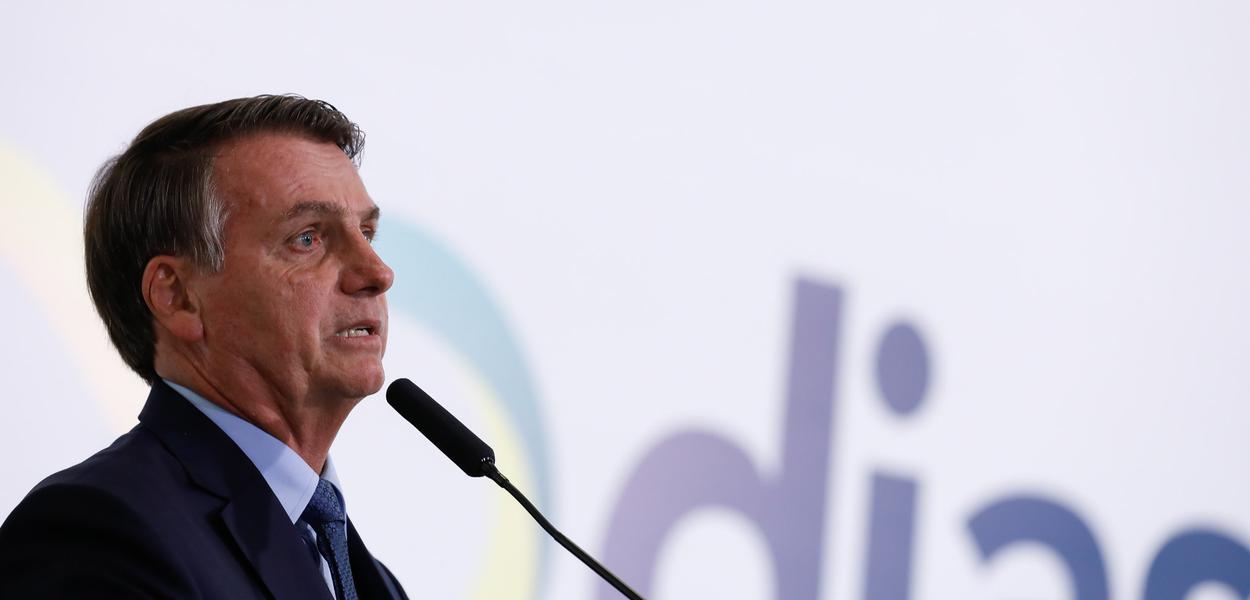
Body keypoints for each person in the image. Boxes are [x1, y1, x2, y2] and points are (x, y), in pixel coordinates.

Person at [0, 95, 408, 599]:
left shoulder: (370, 579)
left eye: (367, 232)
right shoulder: (95, 534)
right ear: (178, 297)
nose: (377, 272)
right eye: (308, 238)